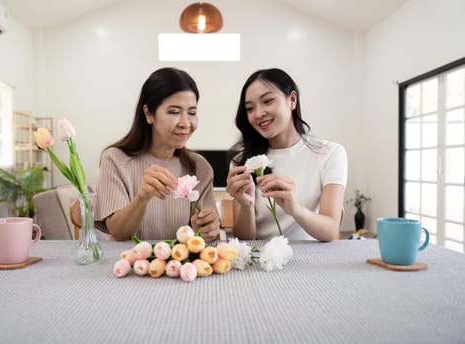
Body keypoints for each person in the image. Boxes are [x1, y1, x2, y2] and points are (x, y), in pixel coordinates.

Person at [95, 67, 220, 242]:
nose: (185, 123)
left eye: (192, 112)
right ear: (149, 114)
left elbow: (204, 237)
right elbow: (118, 232)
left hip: (180, 266)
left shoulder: (200, 167)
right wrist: (142, 197)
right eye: (174, 112)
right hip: (129, 264)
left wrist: (207, 229)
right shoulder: (116, 160)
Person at [226, 68, 347, 241]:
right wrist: (247, 206)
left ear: (292, 100)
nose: (259, 113)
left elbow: (330, 231)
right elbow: (244, 238)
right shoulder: (242, 162)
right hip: (261, 263)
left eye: (267, 101)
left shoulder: (330, 154)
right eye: (250, 108)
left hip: (312, 263)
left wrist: (294, 208)